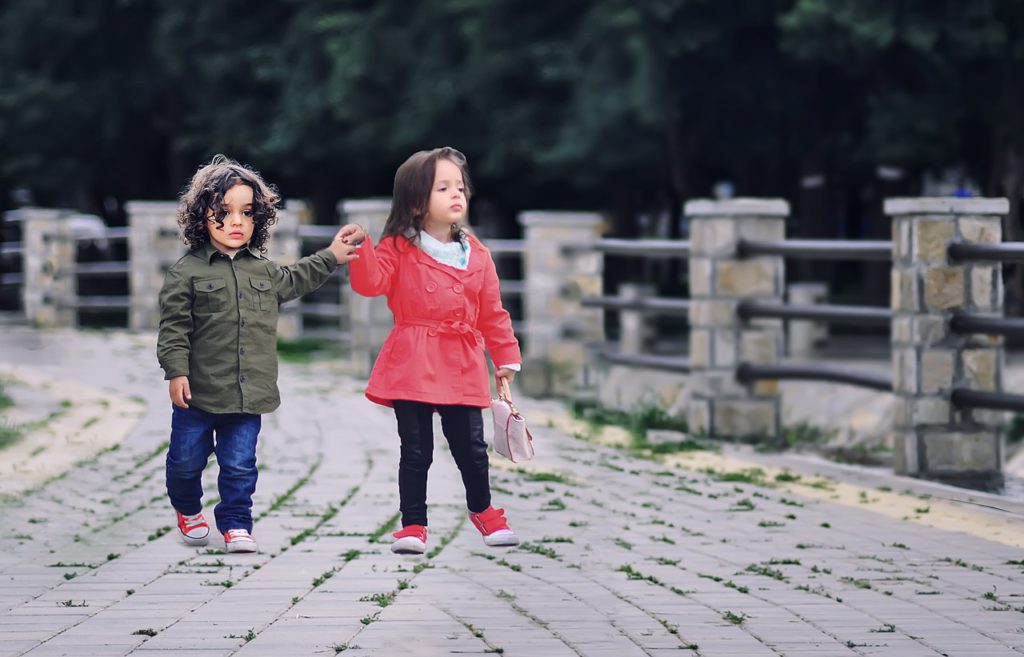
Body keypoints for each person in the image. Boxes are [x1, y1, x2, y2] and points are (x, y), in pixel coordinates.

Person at [157, 155, 358, 553]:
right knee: (185, 464)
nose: (236, 222)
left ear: (259, 220)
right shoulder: (186, 273)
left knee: (240, 465)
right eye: (224, 212)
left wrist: (332, 254)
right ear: (202, 217)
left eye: (246, 213)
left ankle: (236, 523)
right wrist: (176, 372)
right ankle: (187, 508)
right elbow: (174, 328)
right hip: (198, 393)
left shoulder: (263, 271)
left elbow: (298, 277)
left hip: (248, 396)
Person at [339, 147, 521, 554]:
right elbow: (370, 285)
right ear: (417, 202)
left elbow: (493, 311)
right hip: (413, 359)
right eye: (444, 188)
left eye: (460, 187)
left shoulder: (478, 254)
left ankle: (485, 512)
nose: (457, 194)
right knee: (416, 450)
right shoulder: (398, 248)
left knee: (471, 448)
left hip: (462, 361)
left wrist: (505, 358)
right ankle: (414, 525)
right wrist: (362, 247)